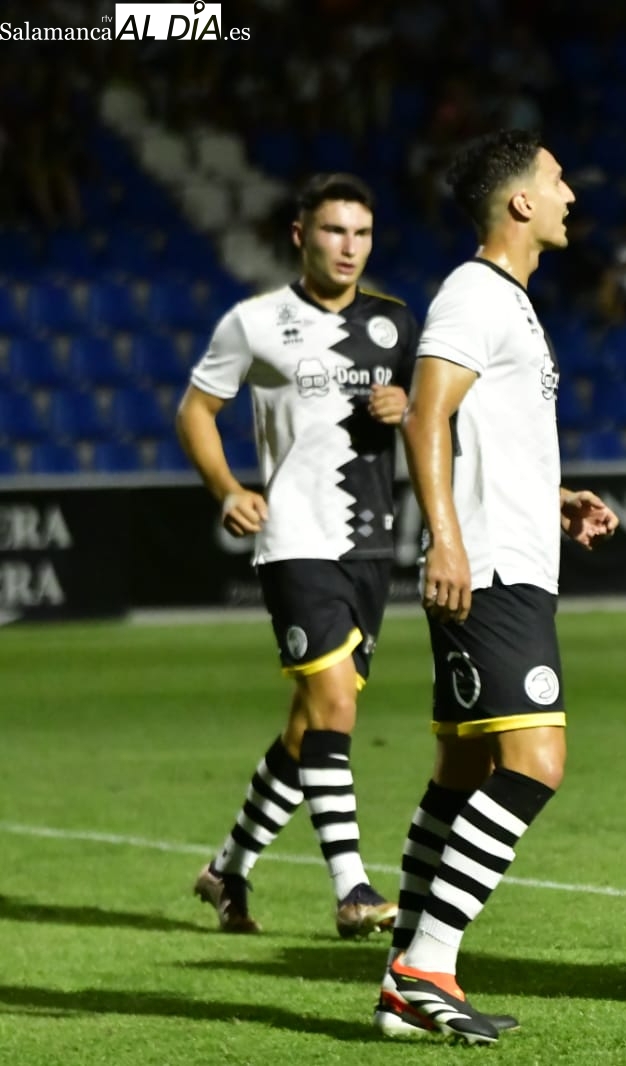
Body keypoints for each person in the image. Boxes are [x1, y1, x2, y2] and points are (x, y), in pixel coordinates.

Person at [377, 129, 619, 1045]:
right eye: (557, 181)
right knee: (535, 763)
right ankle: (425, 965)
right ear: (519, 201)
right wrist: (446, 539)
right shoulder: (472, 296)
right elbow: (426, 418)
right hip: (488, 570)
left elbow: (478, 436)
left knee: (463, 770)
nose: (568, 195)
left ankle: (406, 981)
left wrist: (552, 497)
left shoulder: (510, 305)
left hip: (510, 552)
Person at [178, 173, 414, 940]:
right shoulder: (255, 322)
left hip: (372, 544)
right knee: (336, 706)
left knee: (307, 728)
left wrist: (404, 409)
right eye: (333, 232)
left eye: (361, 234)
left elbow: (434, 420)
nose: (349, 247)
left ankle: (226, 871)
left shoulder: (393, 325)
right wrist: (226, 487)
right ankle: (351, 890)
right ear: (299, 235)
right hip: (295, 543)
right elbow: (196, 411)